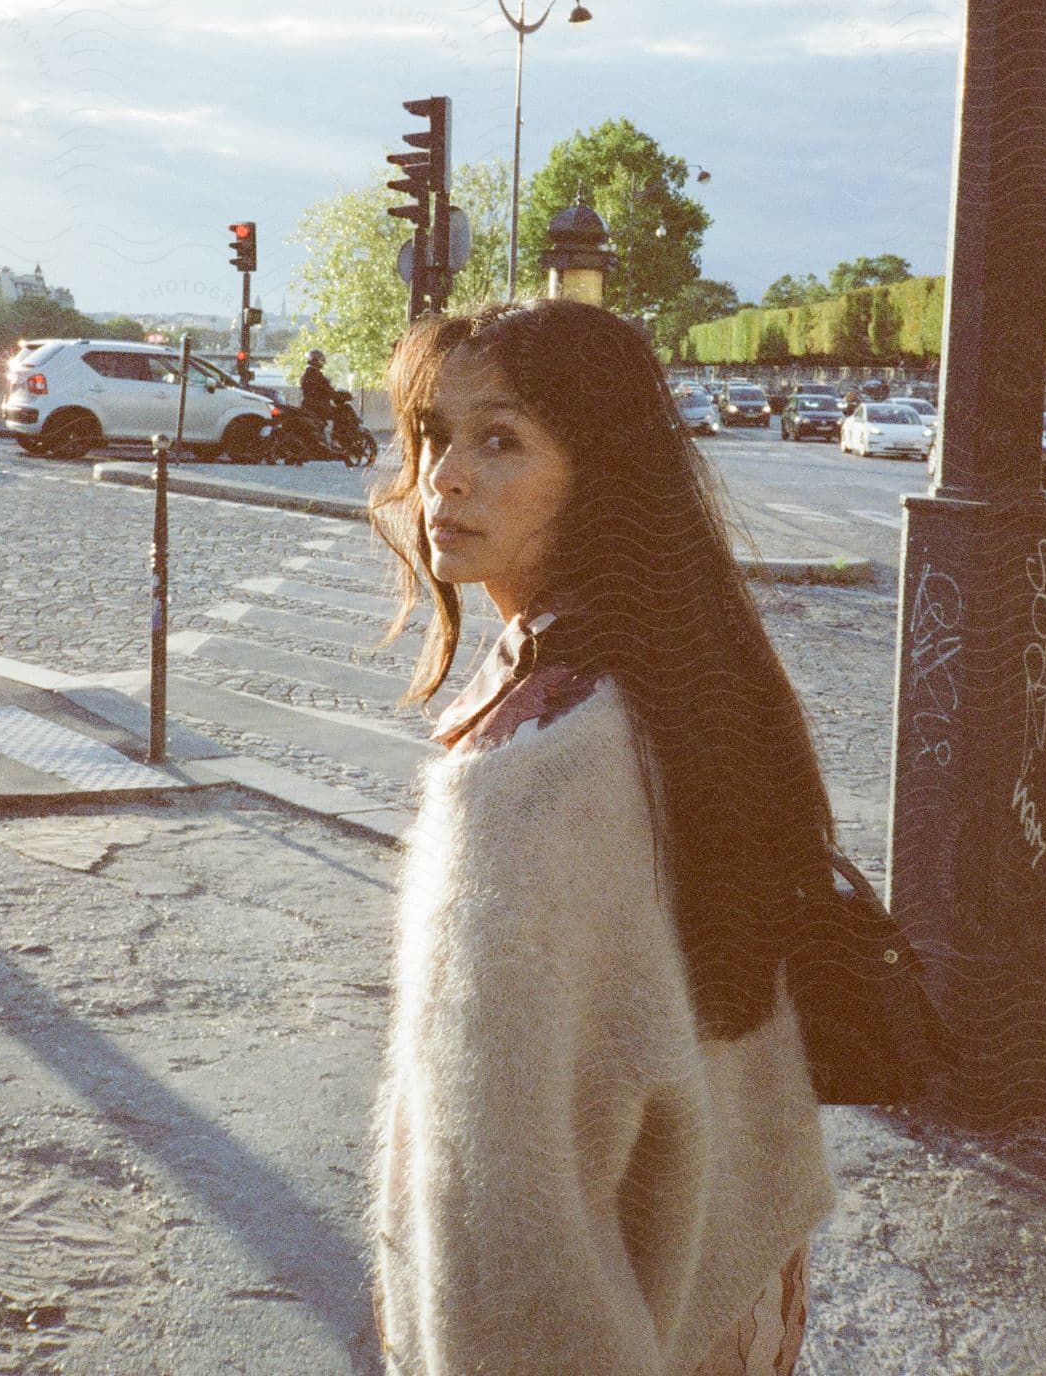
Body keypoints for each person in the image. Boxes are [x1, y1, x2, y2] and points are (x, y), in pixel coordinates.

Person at [366, 299, 837, 1375]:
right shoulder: (692, 685)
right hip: (734, 1276)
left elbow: (500, 1206)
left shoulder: (528, 774)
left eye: (501, 439)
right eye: (435, 434)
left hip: (618, 1320)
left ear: (598, 478)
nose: (441, 479)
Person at [299, 348, 342, 444]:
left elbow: (323, 388)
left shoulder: (309, 373)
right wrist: (339, 396)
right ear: (317, 360)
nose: (322, 361)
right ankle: (336, 441)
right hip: (318, 406)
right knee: (341, 414)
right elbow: (328, 390)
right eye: (321, 359)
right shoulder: (316, 375)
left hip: (310, 405)